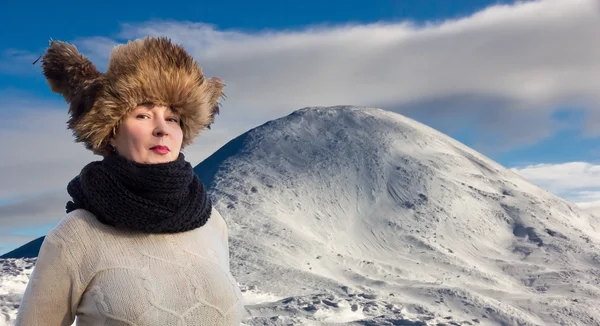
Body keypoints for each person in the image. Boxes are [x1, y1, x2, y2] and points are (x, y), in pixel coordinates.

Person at [15, 36, 245, 325]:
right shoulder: (77, 236)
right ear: (111, 130)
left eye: (173, 118)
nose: (162, 129)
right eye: (143, 114)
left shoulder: (212, 223)